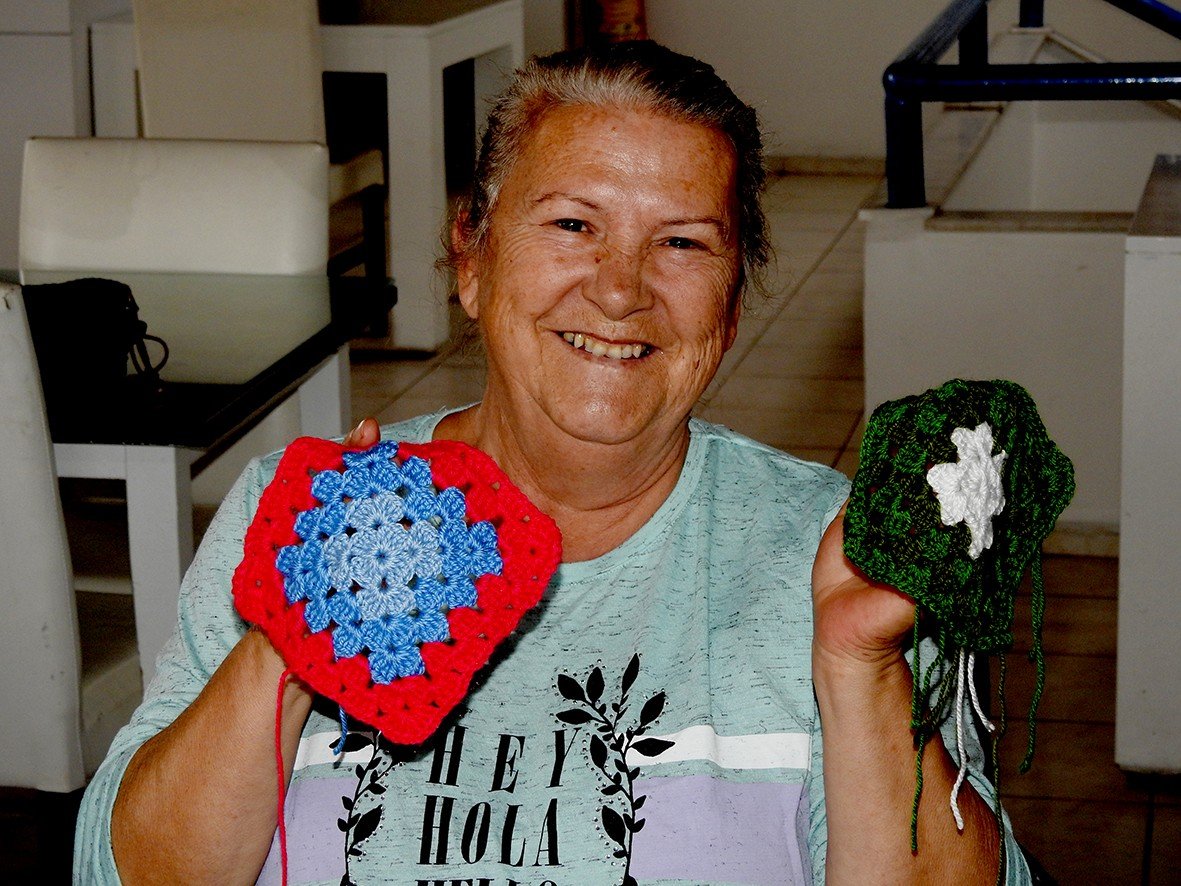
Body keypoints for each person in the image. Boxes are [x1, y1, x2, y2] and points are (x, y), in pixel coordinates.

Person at [76, 41, 1029, 884]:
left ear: (731, 310)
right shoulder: (311, 521)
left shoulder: (845, 558)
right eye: (572, 224)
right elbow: (127, 873)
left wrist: (860, 667)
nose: (619, 290)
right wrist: (290, 644)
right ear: (472, 260)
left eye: (683, 243)